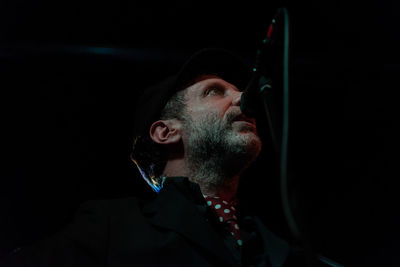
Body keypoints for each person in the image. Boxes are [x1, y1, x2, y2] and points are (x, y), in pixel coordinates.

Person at [1, 48, 338, 267]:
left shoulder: (287, 252)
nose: (241, 100)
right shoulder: (112, 226)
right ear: (166, 131)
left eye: (237, 90)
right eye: (215, 92)